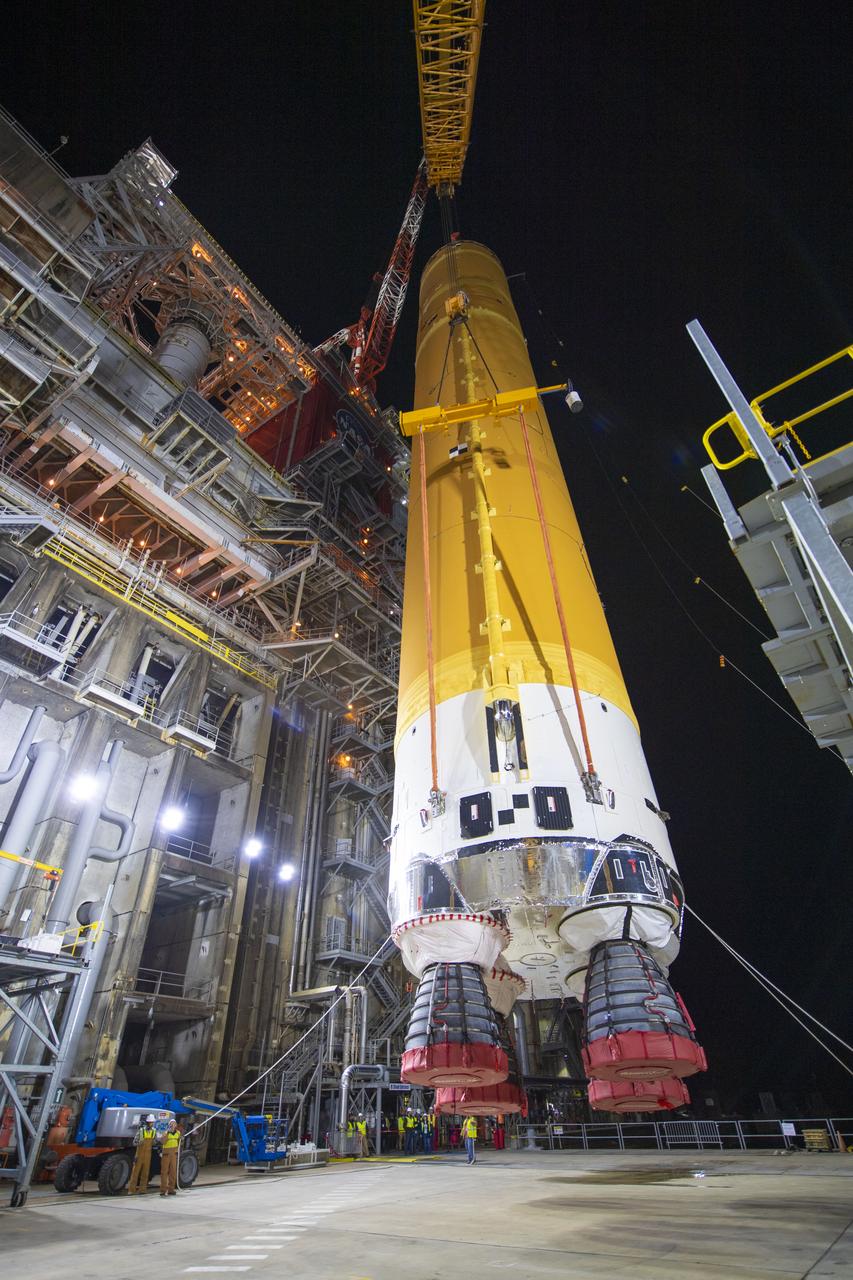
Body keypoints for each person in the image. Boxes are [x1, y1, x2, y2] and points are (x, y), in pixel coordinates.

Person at [127, 1113, 158, 1194]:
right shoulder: (141, 1131)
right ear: (148, 1122)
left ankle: (142, 1189)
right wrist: (139, 1143)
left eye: (153, 1122)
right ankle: (131, 1190)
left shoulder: (154, 1131)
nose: (152, 1124)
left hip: (148, 1154)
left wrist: (159, 1142)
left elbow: (154, 1142)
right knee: (135, 1172)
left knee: (145, 1172)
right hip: (140, 1153)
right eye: (151, 1122)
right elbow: (134, 1142)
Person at [158, 1118, 181, 1196]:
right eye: (171, 1123)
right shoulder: (166, 1132)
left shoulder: (178, 1133)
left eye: (174, 1123)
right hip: (166, 1154)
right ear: (169, 1125)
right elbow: (162, 1141)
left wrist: (182, 1138)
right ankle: (163, 1190)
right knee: (164, 1172)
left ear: (176, 1125)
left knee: (173, 1172)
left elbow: (180, 1141)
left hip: (174, 1154)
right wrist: (167, 1133)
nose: (173, 1125)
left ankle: (171, 1189)